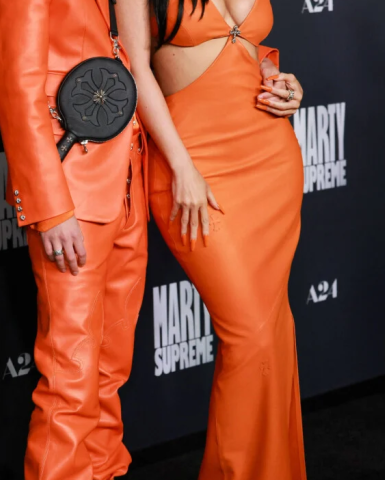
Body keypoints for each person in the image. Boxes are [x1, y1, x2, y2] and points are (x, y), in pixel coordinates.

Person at [116, 0, 307, 478]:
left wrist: (279, 79)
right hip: (193, 162)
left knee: (272, 332)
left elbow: (249, 45)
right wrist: (181, 166)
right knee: (250, 334)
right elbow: (136, 68)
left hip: (271, 157)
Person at [0, 1, 148, 479]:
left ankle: (105, 471)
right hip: (72, 190)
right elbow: (17, 82)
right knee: (71, 378)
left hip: (128, 179)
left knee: (109, 373)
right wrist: (50, 206)